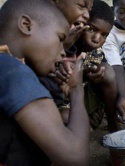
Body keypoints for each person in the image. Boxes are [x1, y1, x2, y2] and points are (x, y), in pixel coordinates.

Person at [0, 0, 90, 165]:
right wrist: (76, 89)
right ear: (26, 25)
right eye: (60, 38)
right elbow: (75, 157)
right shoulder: (13, 70)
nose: (63, 52)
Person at [65, 0, 121, 132]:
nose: (96, 39)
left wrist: (93, 73)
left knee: (107, 71)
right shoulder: (65, 45)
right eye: (91, 29)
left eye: (104, 35)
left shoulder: (96, 53)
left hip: (83, 103)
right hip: (60, 106)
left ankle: (113, 123)